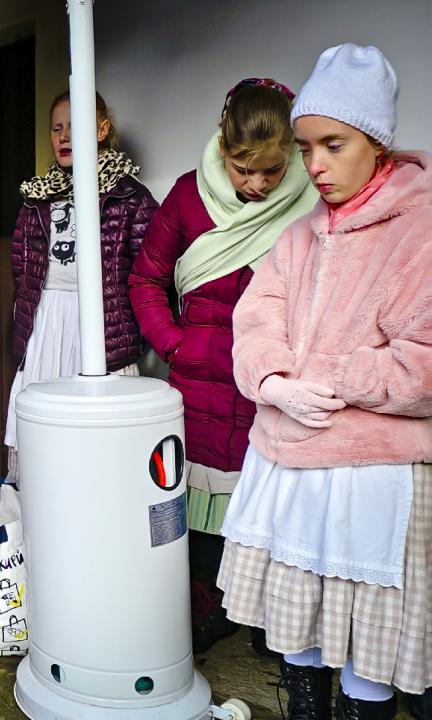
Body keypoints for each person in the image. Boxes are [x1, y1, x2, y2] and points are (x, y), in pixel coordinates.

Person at [217, 44, 432, 720]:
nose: (315, 166)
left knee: (370, 640)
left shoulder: (420, 232)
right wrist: (273, 380)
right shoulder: (301, 234)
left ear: (376, 141)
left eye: (333, 146)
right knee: (298, 622)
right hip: (291, 463)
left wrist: (327, 372)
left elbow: (423, 364)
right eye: (307, 148)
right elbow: (256, 319)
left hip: (371, 474)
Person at [129, 78, 318, 654]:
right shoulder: (189, 196)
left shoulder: (312, 199)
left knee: (268, 511)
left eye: (272, 170)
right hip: (196, 384)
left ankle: (267, 624)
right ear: (222, 143)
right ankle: (207, 609)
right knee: (195, 510)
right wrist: (176, 345)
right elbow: (146, 279)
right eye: (243, 170)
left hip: (272, 389)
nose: (257, 184)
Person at [6, 91, 157, 479]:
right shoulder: (38, 198)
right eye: (56, 128)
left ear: (102, 130)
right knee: (45, 437)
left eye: (75, 127)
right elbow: (21, 267)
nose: (64, 136)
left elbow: (148, 272)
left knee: (98, 443)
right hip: (47, 322)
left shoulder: (128, 195)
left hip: (101, 325)